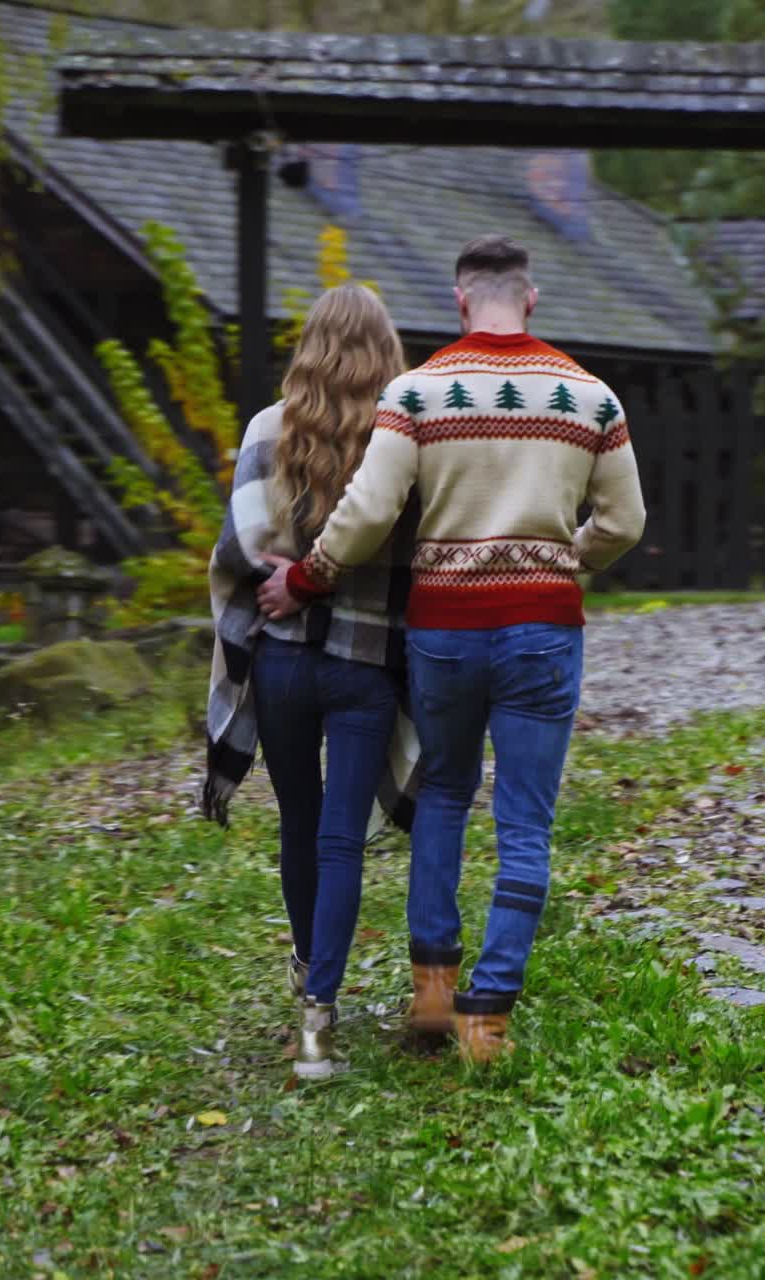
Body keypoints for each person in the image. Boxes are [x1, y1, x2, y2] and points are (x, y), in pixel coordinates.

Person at [257, 235, 645, 1063]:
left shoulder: (419, 392)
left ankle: (432, 998)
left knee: (441, 794)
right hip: (543, 629)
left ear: (461, 300)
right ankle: (488, 1017)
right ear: (530, 298)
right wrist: (566, 559)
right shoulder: (592, 399)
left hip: (444, 633)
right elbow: (626, 523)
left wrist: (311, 577)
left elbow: (365, 513)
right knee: (526, 821)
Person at [204, 283, 419, 1080]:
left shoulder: (269, 428)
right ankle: (318, 1023)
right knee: (341, 840)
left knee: (300, 822)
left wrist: (289, 575)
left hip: (285, 663)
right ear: (385, 347)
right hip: (366, 667)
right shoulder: (407, 431)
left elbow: (241, 547)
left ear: (312, 344)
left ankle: (305, 971)